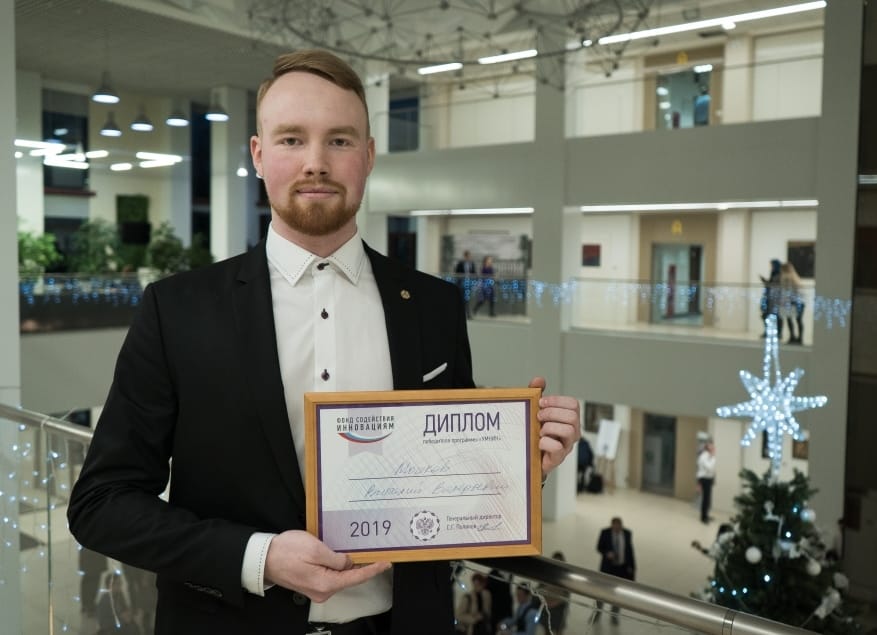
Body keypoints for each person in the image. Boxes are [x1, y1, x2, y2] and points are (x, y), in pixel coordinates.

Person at [66, 49, 581, 635]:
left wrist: (520, 467)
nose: (316, 163)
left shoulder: (433, 305)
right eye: (292, 139)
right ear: (259, 155)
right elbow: (102, 503)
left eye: (339, 140)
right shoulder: (177, 310)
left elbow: (441, 484)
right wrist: (258, 557)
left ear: (369, 156)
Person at [595, 517, 636, 624]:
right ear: (612, 525)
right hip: (608, 568)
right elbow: (599, 547)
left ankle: (614, 614)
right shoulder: (605, 533)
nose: (617, 528)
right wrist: (607, 553)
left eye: (619, 526)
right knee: (602, 591)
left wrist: (632, 567)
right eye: (615, 526)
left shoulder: (627, 533)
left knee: (618, 593)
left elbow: (630, 550)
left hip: (621, 569)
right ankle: (598, 612)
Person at [537, 552, 569, 635]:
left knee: (558, 631)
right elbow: (538, 590)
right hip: (546, 609)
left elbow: (566, 596)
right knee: (547, 630)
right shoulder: (545, 575)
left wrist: (554, 603)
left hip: (558, 611)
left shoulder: (565, 578)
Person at [778, 261, 805, 344]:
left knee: (790, 319)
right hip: (800, 302)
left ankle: (792, 337)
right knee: (798, 320)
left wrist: (783, 301)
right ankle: (799, 338)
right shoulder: (795, 277)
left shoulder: (786, 278)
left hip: (791, 302)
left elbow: (786, 292)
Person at [759, 259, 782, 338]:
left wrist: (766, 282)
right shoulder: (773, 274)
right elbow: (770, 284)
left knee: (777, 316)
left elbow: (773, 285)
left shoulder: (779, 275)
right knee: (765, 315)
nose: (771, 267)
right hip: (769, 297)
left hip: (775, 299)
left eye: (772, 265)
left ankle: (778, 333)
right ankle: (768, 331)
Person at [697, 440, 717, 524]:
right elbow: (709, 468)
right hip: (704, 479)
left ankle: (706, 515)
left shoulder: (709, 455)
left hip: (708, 478)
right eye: (710, 445)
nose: (713, 447)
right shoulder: (704, 456)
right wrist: (713, 457)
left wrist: (713, 478)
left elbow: (712, 469)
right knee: (705, 499)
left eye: (712, 445)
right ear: (707, 447)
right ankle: (703, 517)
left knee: (708, 499)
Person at [454, 250, 477, 318]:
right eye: (467, 256)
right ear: (465, 256)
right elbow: (457, 273)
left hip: (469, 283)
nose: (468, 258)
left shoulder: (472, 264)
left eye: (469, 256)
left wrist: (474, 280)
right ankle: (465, 314)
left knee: (466, 299)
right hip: (461, 283)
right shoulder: (460, 263)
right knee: (463, 299)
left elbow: (474, 272)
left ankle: (467, 314)